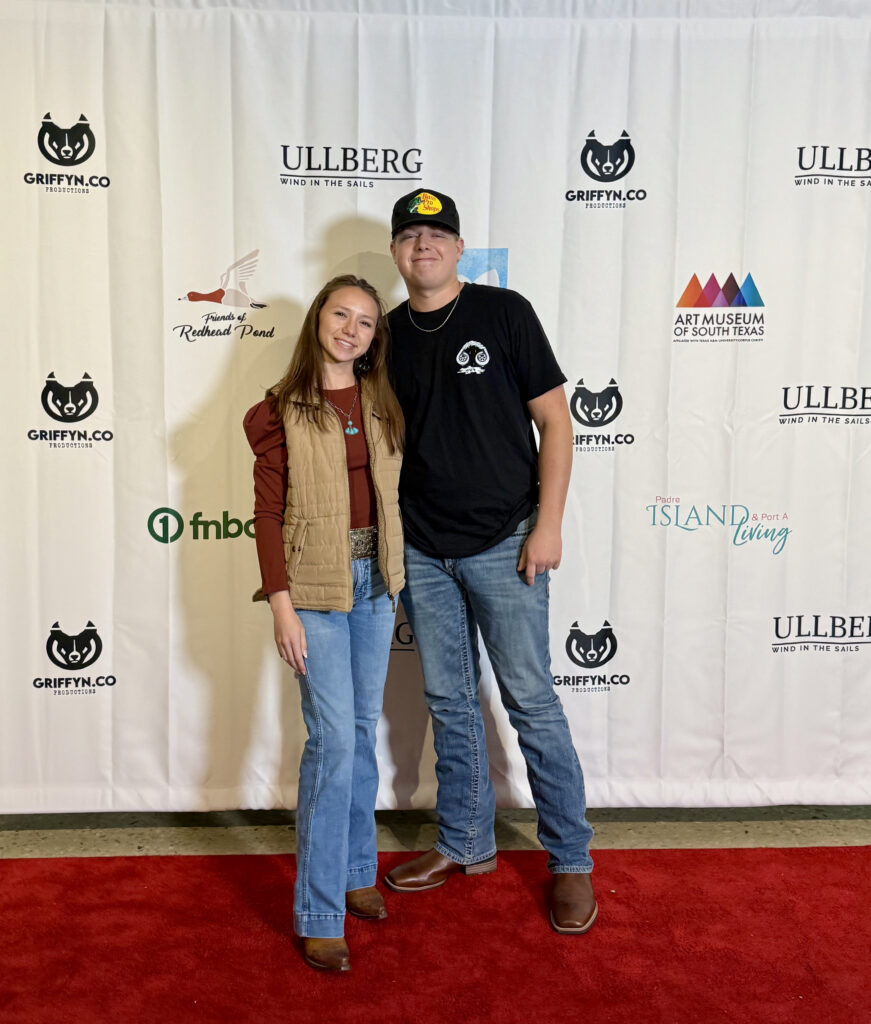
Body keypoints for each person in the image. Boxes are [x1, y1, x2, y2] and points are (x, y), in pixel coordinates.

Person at [383, 189, 597, 934]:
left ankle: (570, 859)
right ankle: (463, 842)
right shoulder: (385, 336)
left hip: (508, 542)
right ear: (395, 251)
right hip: (423, 550)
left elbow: (556, 422)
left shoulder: (505, 313)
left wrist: (548, 525)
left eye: (437, 235)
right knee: (449, 702)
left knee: (530, 701)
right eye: (410, 236)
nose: (423, 246)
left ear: (458, 248)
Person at [243, 275, 405, 972]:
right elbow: (267, 513)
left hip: (376, 586)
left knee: (361, 735)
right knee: (333, 742)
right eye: (341, 314)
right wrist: (280, 603)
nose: (350, 329)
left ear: (374, 338)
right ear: (318, 319)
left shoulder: (383, 401)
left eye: (365, 322)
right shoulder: (277, 411)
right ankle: (318, 911)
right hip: (312, 591)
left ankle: (356, 871)